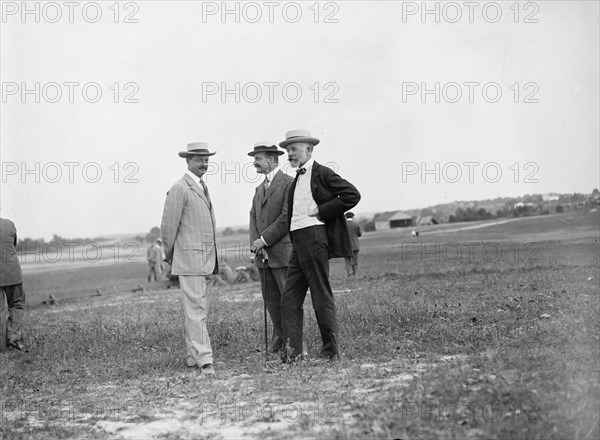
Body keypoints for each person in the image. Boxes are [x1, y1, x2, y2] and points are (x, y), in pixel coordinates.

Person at [279, 130, 361, 363]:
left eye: (294, 149)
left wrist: (322, 211)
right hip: (299, 242)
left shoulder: (323, 173)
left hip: (315, 238)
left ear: (310, 150)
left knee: (320, 295)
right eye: (288, 150)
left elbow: (352, 194)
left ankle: (331, 352)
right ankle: (293, 354)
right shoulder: (297, 179)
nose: (290, 154)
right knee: (289, 298)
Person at [161, 142, 218, 376]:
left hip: (207, 261)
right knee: (196, 310)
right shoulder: (180, 188)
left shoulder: (202, 187)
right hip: (190, 261)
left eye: (206, 160)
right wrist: (172, 256)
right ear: (188, 161)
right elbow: (168, 228)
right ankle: (205, 361)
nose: (204, 163)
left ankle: (193, 358)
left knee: (199, 310)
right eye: (198, 160)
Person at [248, 142, 294, 353]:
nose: (254, 163)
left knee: (288, 299)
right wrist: (257, 245)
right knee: (272, 302)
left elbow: (286, 217)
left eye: (258, 158)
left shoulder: (288, 183)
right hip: (263, 255)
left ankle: (293, 342)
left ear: (272, 160)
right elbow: (254, 217)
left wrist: (264, 240)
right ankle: (280, 339)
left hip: (283, 254)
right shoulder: (258, 189)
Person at [0, 218, 26, 351]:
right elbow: (13, 245)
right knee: (16, 305)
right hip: (12, 273)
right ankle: (14, 341)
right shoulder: (9, 224)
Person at [344, 212, 362, 277]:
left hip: (346, 246)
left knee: (347, 261)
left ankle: (349, 273)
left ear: (346, 217)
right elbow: (359, 234)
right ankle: (355, 274)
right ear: (352, 217)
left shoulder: (344, 225)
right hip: (355, 245)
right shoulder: (356, 224)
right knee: (355, 261)